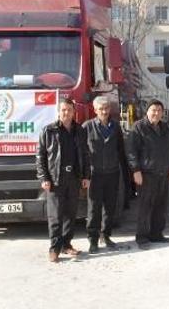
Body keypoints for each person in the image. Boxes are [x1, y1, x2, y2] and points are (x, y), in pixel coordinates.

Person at [36, 98, 90, 263]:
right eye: (63, 110)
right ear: (58, 112)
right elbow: (40, 157)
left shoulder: (79, 130)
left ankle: (66, 244)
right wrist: (44, 177)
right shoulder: (48, 131)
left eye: (69, 110)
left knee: (70, 214)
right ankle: (54, 249)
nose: (66, 113)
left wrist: (86, 176)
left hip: (73, 178)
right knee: (55, 216)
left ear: (74, 112)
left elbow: (85, 155)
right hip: (55, 179)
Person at [127, 99, 169, 250]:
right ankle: (142, 237)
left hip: (163, 173)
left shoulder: (165, 129)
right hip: (146, 174)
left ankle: (156, 234)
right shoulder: (138, 127)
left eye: (159, 110)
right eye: (153, 110)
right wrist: (136, 171)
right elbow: (131, 151)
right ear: (147, 111)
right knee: (145, 206)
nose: (156, 113)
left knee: (160, 206)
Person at [81, 96, 127, 253]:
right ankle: (93, 240)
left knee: (110, 207)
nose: (104, 111)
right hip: (95, 174)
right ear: (95, 110)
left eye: (106, 108)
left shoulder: (115, 127)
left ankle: (106, 236)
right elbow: (81, 153)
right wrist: (84, 174)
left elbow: (121, 150)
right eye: (101, 109)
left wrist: (126, 172)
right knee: (94, 208)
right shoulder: (87, 127)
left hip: (112, 173)